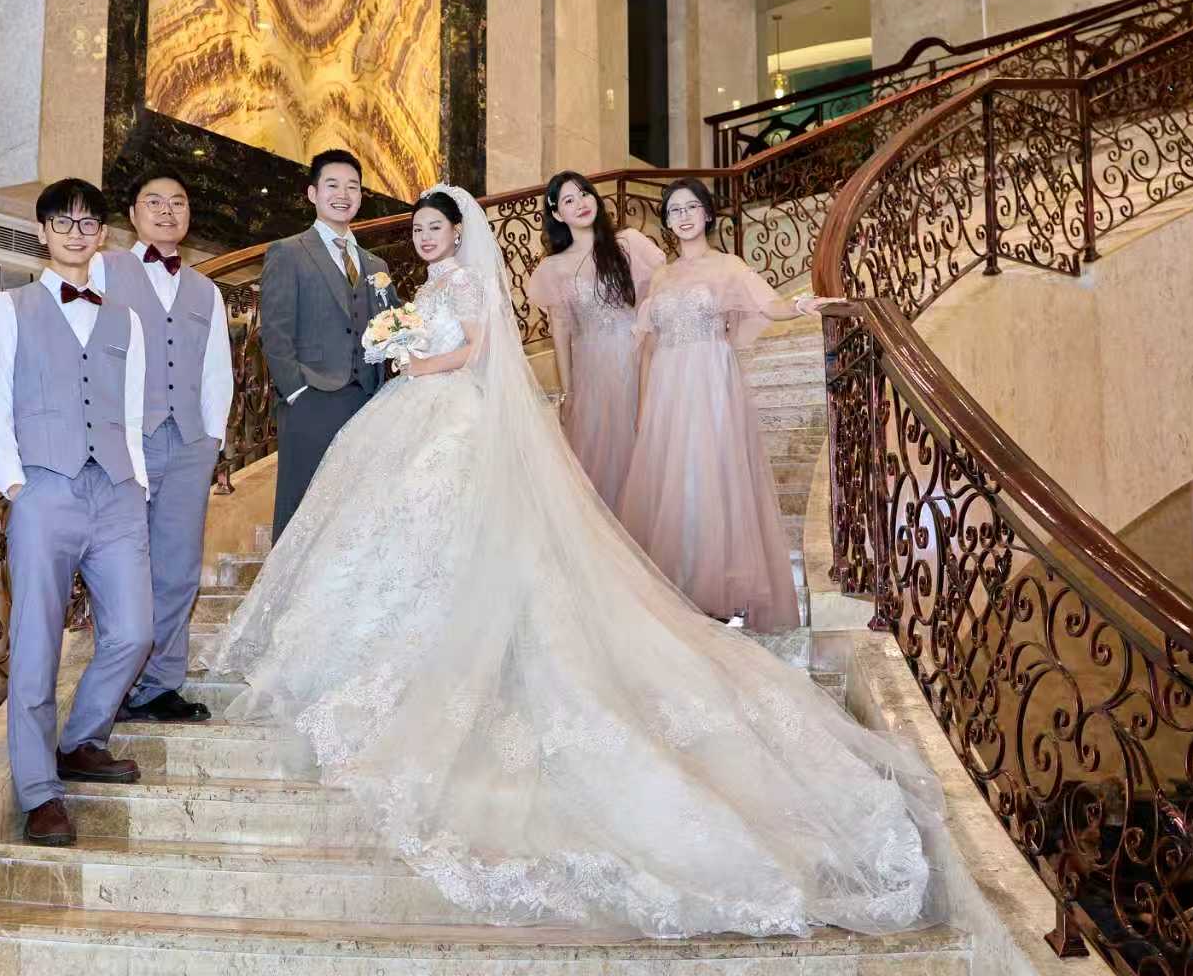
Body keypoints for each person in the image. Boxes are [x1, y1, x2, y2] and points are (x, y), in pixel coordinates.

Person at [213, 185, 947, 940]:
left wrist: (420, 363)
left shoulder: (469, 283)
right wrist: (401, 349)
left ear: (459, 234)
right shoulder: (422, 287)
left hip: (453, 414)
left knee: (454, 527)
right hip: (417, 411)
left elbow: (477, 349)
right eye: (420, 229)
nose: (428, 238)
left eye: (437, 228)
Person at [0, 178, 151, 847]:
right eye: (63, 222)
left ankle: (81, 740)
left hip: (117, 492)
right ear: (43, 231)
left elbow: (130, 410)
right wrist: (15, 485)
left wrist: (137, 484)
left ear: (103, 234)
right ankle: (39, 792)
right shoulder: (6, 308)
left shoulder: (125, 320)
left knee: (134, 631)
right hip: (44, 489)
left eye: (88, 223)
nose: (77, 234)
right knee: (37, 644)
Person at [620, 176, 823, 632]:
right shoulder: (662, 275)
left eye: (691, 207)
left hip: (711, 383)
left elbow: (769, 305)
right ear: (667, 220)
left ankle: (717, 591)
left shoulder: (728, 266)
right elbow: (648, 347)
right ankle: (680, 586)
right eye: (674, 210)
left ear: (707, 213)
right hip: (668, 390)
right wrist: (643, 409)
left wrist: (800, 305)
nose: (683, 216)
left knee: (710, 478)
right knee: (674, 484)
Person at [104, 170, 234, 724]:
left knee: (178, 570)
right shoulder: (104, 270)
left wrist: (213, 439)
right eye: (153, 201)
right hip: (125, 442)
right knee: (121, 567)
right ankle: (117, 683)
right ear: (132, 214)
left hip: (188, 444)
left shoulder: (207, 290)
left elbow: (217, 370)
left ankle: (160, 685)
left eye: (177, 202)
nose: (166, 211)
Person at [258, 150, 394, 538]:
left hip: (366, 401)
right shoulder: (288, 252)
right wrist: (296, 392)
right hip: (311, 399)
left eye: (352, 187)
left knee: (356, 515)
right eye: (332, 185)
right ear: (312, 193)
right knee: (302, 514)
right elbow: (275, 330)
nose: (343, 194)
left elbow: (390, 327)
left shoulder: (376, 266)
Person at [527, 171, 665, 511]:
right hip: (592, 368)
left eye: (584, 193)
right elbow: (560, 331)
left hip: (635, 356)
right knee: (601, 454)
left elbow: (654, 303)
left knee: (642, 441)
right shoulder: (553, 268)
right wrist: (568, 391)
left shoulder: (628, 244)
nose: (581, 203)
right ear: (558, 214)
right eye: (569, 200)